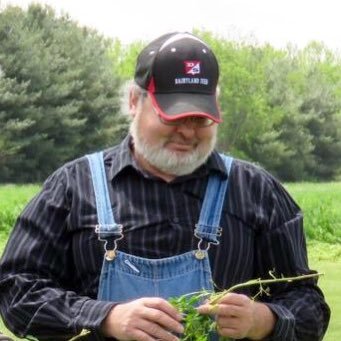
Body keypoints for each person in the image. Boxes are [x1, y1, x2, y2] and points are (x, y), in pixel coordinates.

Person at [0, 32, 330, 341]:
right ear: (134, 101)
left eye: (200, 119)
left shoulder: (258, 191)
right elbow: (16, 291)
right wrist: (105, 317)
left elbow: (308, 305)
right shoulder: (72, 187)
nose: (187, 132)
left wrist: (262, 319)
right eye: (172, 117)